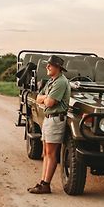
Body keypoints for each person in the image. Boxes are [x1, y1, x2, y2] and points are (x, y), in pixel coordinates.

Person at [28, 55, 71, 194]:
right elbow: (38, 97)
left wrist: (45, 98)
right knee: (46, 152)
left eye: (50, 65)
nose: (47, 67)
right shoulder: (52, 81)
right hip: (49, 118)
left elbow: (49, 102)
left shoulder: (60, 82)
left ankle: (46, 184)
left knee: (51, 153)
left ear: (57, 68)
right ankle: (42, 182)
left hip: (56, 119)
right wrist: (46, 98)